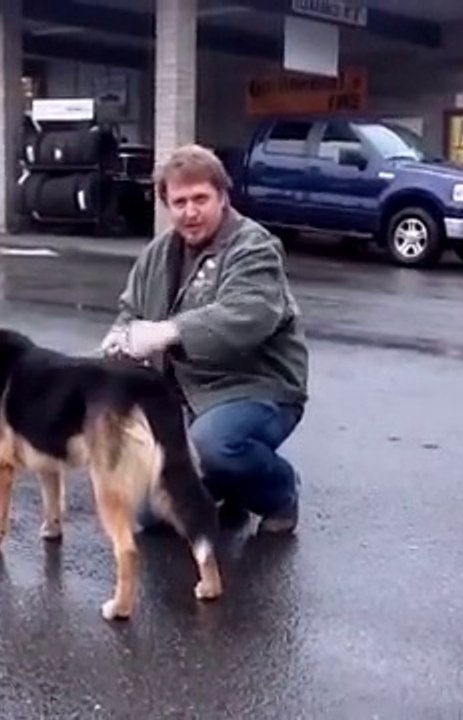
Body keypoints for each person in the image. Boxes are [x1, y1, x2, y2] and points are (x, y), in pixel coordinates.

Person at [101, 143, 309, 535]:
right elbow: (131, 311)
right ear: (166, 204)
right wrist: (119, 340)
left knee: (213, 446)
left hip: (259, 387)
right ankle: (228, 486)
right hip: (186, 397)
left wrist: (170, 331)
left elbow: (250, 315)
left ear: (223, 196)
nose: (190, 211)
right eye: (179, 202)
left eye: (201, 199)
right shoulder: (157, 253)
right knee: (152, 513)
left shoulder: (255, 247)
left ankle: (279, 491)